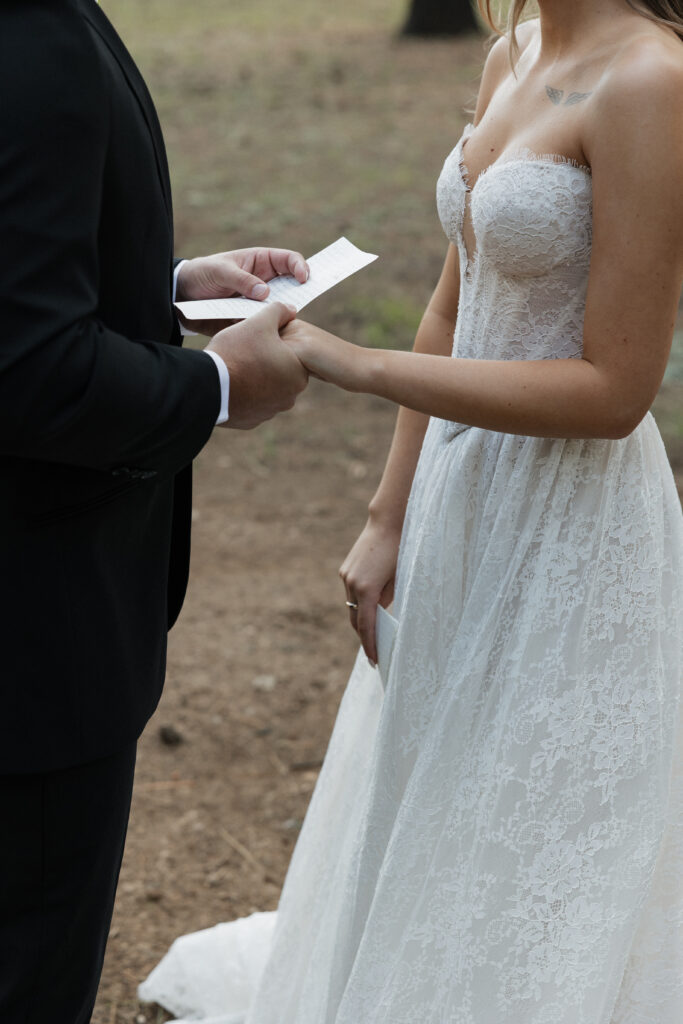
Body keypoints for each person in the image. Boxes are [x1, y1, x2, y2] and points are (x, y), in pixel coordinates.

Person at [140, 1, 683, 1022]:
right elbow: (452, 301)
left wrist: (348, 362)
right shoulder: (512, 49)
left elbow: (614, 390)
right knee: (438, 795)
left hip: (574, 525)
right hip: (457, 502)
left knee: (538, 823)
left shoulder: (652, 81)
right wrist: (389, 511)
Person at [0, 1, 311, 1022]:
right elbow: (36, 371)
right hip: (34, 653)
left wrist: (160, 290)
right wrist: (216, 388)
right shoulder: (31, 31)